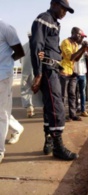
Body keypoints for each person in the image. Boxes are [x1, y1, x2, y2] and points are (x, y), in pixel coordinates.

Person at [30, 0, 78, 161]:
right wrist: (38, 74)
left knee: (49, 107)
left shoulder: (54, 23)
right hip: (47, 70)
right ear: (54, 4)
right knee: (57, 106)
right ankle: (58, 147)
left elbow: (50, 49)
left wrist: (59, 66)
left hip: (53, 69)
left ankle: (49, 141)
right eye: (63, 8)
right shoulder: (44, 18)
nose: (65, 12)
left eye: (66, 10)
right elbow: (36, 46)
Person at [0, 19, 25, 163]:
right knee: (2, 111)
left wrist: (6, 63)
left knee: (2, 113)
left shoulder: (6, 28)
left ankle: (0, 150)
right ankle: (17, 128)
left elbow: (20, 52)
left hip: (3, 76)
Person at [60, 27, 88, 121]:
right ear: (73, 33)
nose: (80, 37)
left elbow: (76, 59)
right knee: (63, 96)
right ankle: (61, 116)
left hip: (72, 72)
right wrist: (82, 49)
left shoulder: (76, 44)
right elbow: (71, 57)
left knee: (72, 94)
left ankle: (72, 114)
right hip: (64, 71)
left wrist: (83, 49)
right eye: (79, 34)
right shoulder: (65, 42)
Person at [20, 32, 43, 118]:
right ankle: (43, 107)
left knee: (26, 90)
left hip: (26, 72)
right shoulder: (40, 45)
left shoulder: (24, 46)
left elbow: (20, 60)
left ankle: (29, 108)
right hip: (37, 72)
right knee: (39, 89)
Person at [74, 34, 88, 117]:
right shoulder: (74, 46)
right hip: (75, 72)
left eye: (83, 37)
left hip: (83, 72)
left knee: (82, 93)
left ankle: (83, 110)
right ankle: (75, 109)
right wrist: (82, 49)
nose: (83, 39)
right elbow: (76, 58)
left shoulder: (84, 47)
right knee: (74, 93)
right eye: (82, 37)